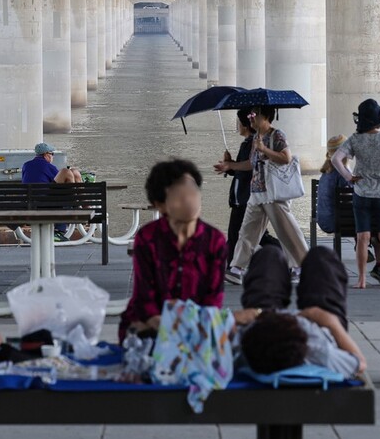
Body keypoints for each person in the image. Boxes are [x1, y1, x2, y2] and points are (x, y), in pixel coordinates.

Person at [119, 158, 227, 342]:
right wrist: (168, 327)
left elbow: (213, 299)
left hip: (197, 326)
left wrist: (191, 328)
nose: (189, 199)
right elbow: (144, 298)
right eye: (179, 194)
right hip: (151, 324)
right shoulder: (148, 238)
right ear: (161, 205)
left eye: (192, 191)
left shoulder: (215, 240)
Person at [233, 245, 366, 379]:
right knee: (321, 257)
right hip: (321, 325)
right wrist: (331, 322)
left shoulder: (243, 352)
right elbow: (360, 364)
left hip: (264, 325)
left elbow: (217, 337)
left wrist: (233, 320)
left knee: (269, 255)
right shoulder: (320, 352)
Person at [224, 106, 309, 285]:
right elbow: (251, 164)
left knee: (286, 229)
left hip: (274, 192)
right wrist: (230, 165)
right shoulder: (256, 137)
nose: (250, 118)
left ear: (266, 116)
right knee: (247, 230)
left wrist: (264, 149)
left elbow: (286, 158)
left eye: (254, 114)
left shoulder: (276, 135)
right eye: (250, 114)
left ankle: (301, 265)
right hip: (257, 191)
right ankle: (237, 268)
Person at [331, 99, 380, 289]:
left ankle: (361, 280)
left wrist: (349, 177)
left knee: (363, 238)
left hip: (362, 194)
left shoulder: (355, 139)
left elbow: (335, 159)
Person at [213, 107, 280, 259]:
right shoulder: (249, 143)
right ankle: (233, 265)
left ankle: (232, 267)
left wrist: (230, 165)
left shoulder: (253, 143)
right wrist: (229, 164)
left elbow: (250, 167)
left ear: (245, 125)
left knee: (239, 234)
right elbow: (242, 168)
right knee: (252, 234)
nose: (237, 126)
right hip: (244, 197)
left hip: (245, 197)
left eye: (238, 122)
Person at [316, 135, 379, 267]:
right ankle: (366, 245)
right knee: (372, 217)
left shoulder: (326, 171)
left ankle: (361, 242)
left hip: (323, 218)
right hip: (337, 220)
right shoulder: (342, 173)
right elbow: (350, 200)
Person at [21, 142, 83, 240]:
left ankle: (75, 205)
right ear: (46, 155)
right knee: (67, 172)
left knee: (72, 172)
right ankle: (75, 206)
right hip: (46, 204)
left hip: (30, 205)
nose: (52, 157)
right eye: (52, 154)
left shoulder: (26, 165)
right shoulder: (48, 166)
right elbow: (60, 179)